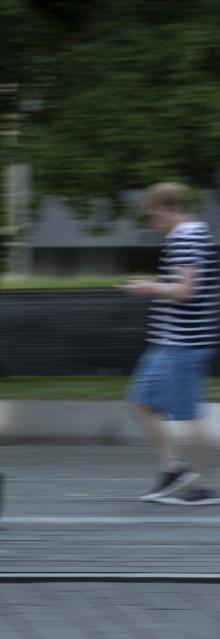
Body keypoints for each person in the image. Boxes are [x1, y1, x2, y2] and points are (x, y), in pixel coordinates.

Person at [124, 182, 220, 505]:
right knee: (140, 401)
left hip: (184, 343)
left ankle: (201, 486)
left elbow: (186, 290)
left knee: (188, 415)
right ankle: (174, 466)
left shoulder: (187, 238)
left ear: (168, 208)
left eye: (153, 215)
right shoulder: (187, 236)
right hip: (168, 341)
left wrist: (149, 287)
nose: (152, 223)